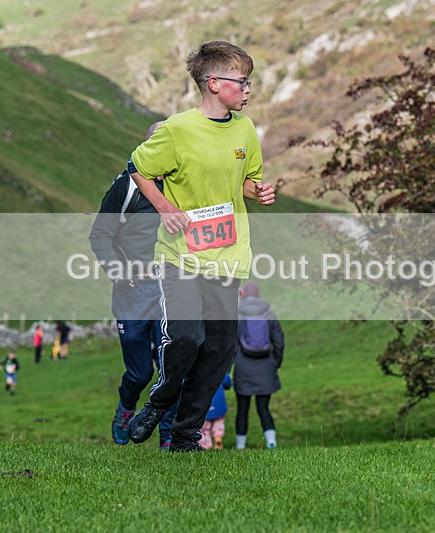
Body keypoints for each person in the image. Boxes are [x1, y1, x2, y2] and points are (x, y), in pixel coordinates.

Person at [126, 40, 277, 452]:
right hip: (181, 255)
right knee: (188, 337)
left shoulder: (244, 130)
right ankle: (159, 403)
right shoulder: (176, 130)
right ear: (213, 83)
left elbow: (244, 182)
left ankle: (185, 436)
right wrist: (165, 207)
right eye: (242, 81)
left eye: (249, 81)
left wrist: (258, 191)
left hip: (227, 255)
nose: (248, 89)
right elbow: (138, 168)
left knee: (219, 349)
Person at [89, 120, 178, 450]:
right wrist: (118, 271)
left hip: (172, 288)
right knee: (140, 374)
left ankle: (169, 436)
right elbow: (100, 234)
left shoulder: (183, 184)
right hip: (133, 291)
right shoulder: (126, 187)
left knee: (172, 366)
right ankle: (127, 407)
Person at [233, 282, 285, 450]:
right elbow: (279, 341)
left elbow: (230, 343)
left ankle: (240, 445)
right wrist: (275, 363)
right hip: (266, 367)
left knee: (242, 409)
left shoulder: (237, 314)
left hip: (243, 366)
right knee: (263, 408)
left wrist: (230, 366)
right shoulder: (269, 313)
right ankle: (271, 442)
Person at [200, 373, 232, 450]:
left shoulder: (199, 370)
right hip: (219, 406)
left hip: (204, 406)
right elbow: (228, 383)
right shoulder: (221, 370)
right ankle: (218, 438)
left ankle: (205, 445)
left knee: (204, 429)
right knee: (218, 424)